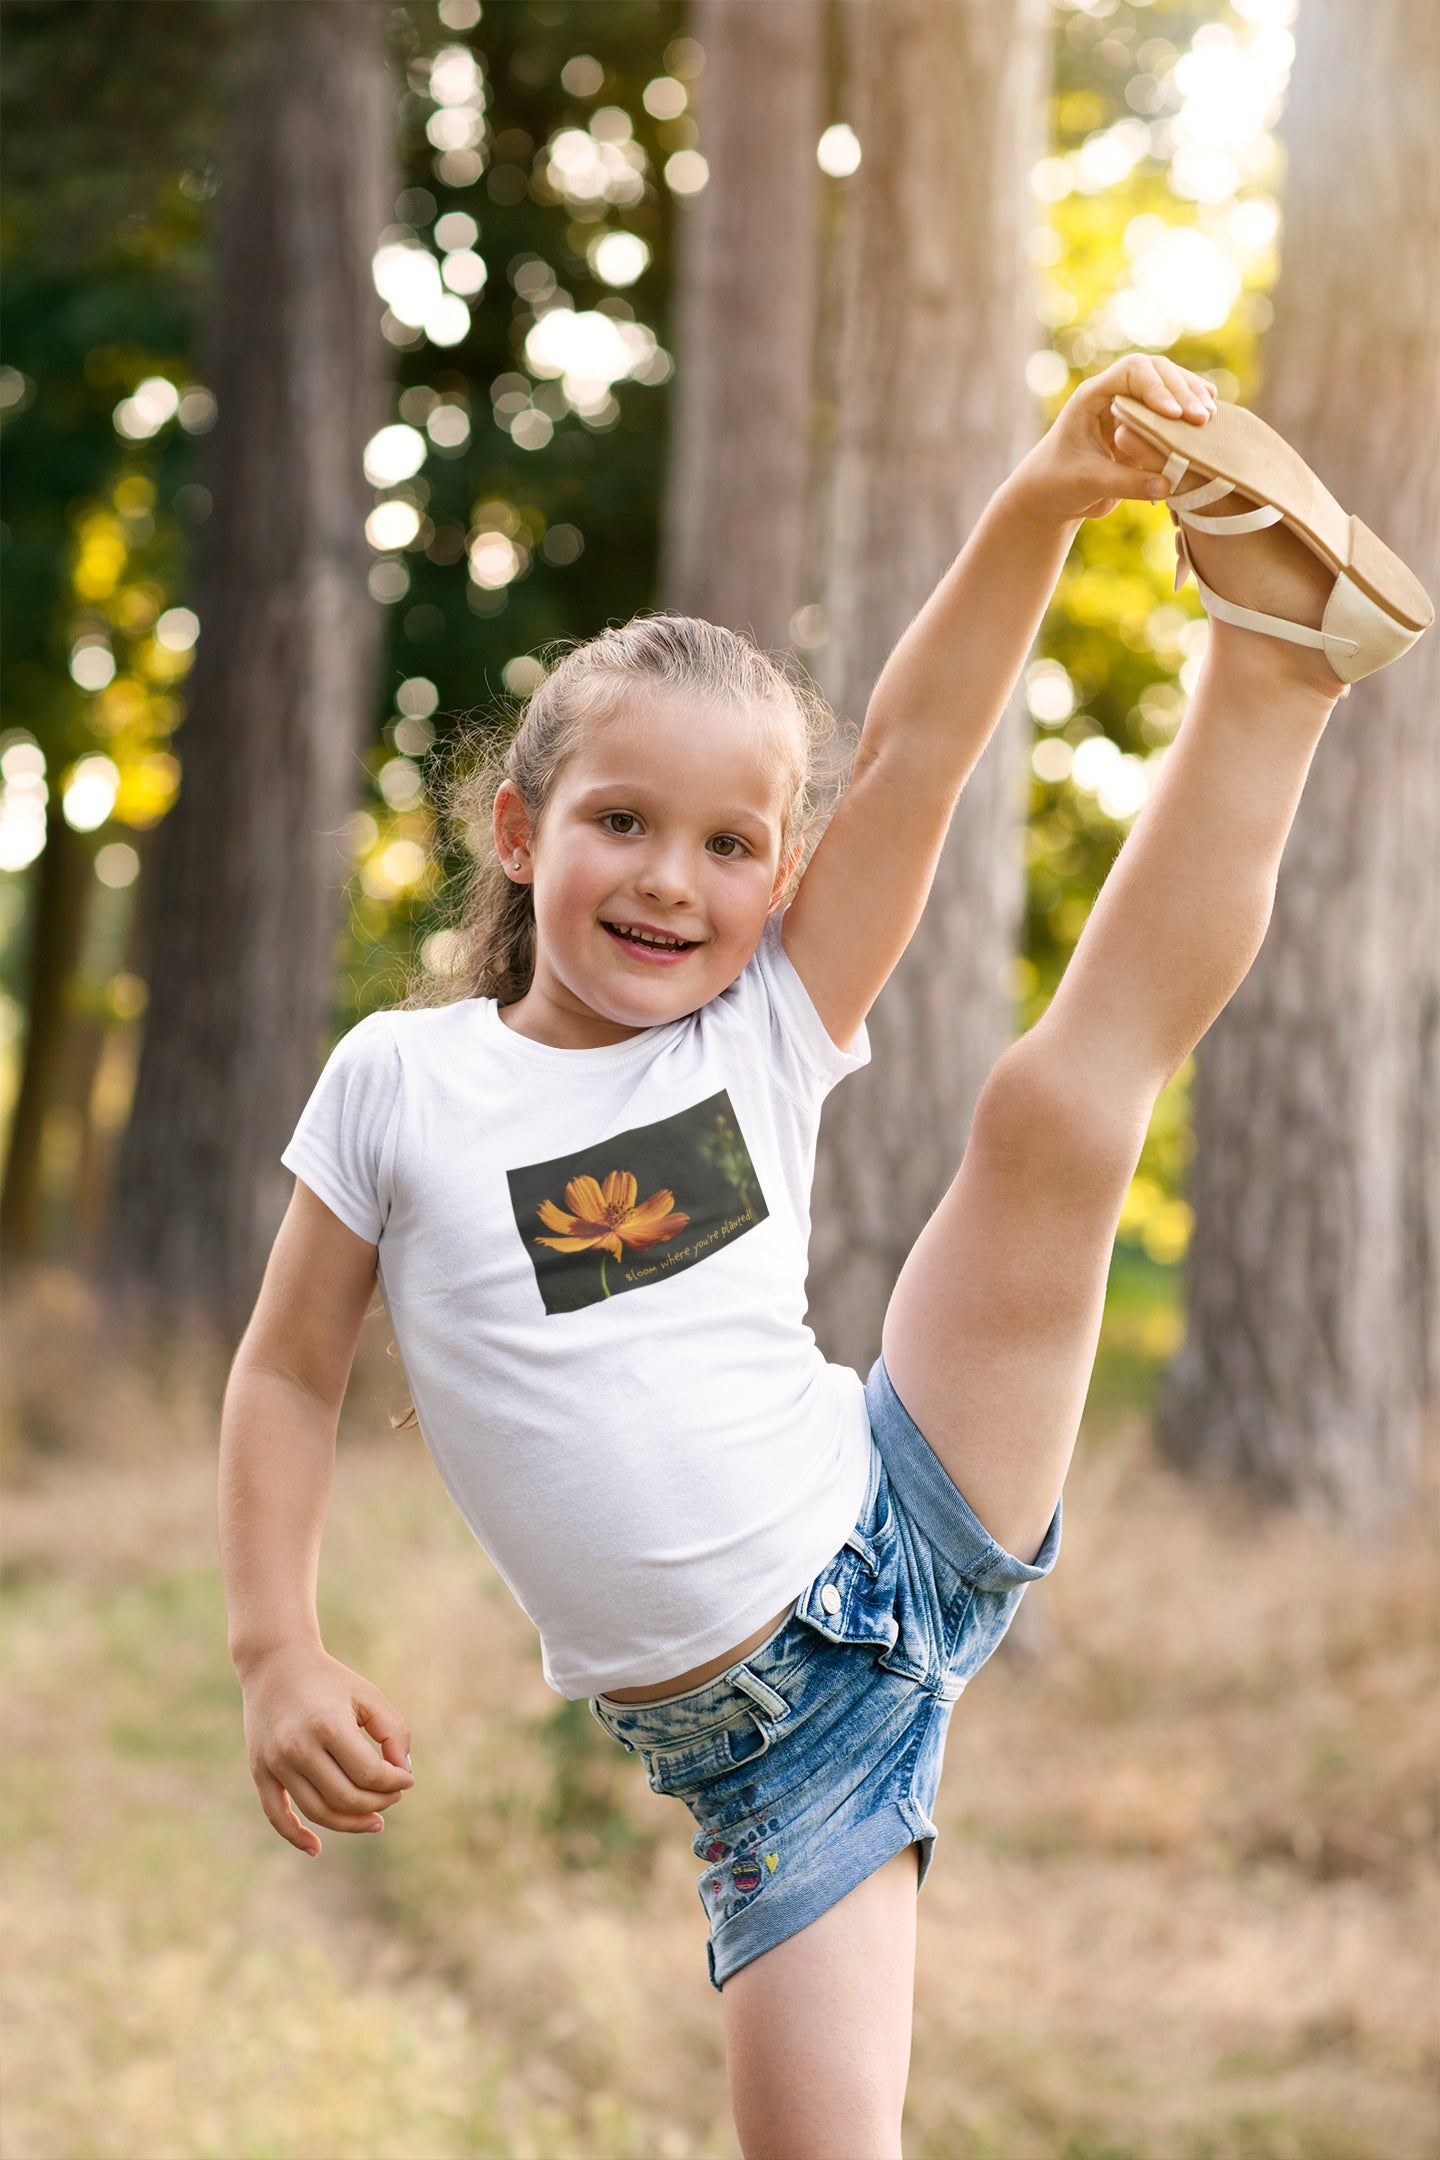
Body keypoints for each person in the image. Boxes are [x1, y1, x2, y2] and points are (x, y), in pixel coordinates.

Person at [218, 353, 1431, 2160]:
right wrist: (273, 1651)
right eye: (621, 822)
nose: (671, 881)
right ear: (517, 830)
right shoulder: (405, 1083)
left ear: (780, 874)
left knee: (1056, 1112)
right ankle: (1270, 663)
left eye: (732, 846)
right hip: (785, 1765)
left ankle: (1276, 664)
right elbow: (288, 1368)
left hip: (901, 1504)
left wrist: (1039, 497)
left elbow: (924, 752)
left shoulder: (758, 1033)